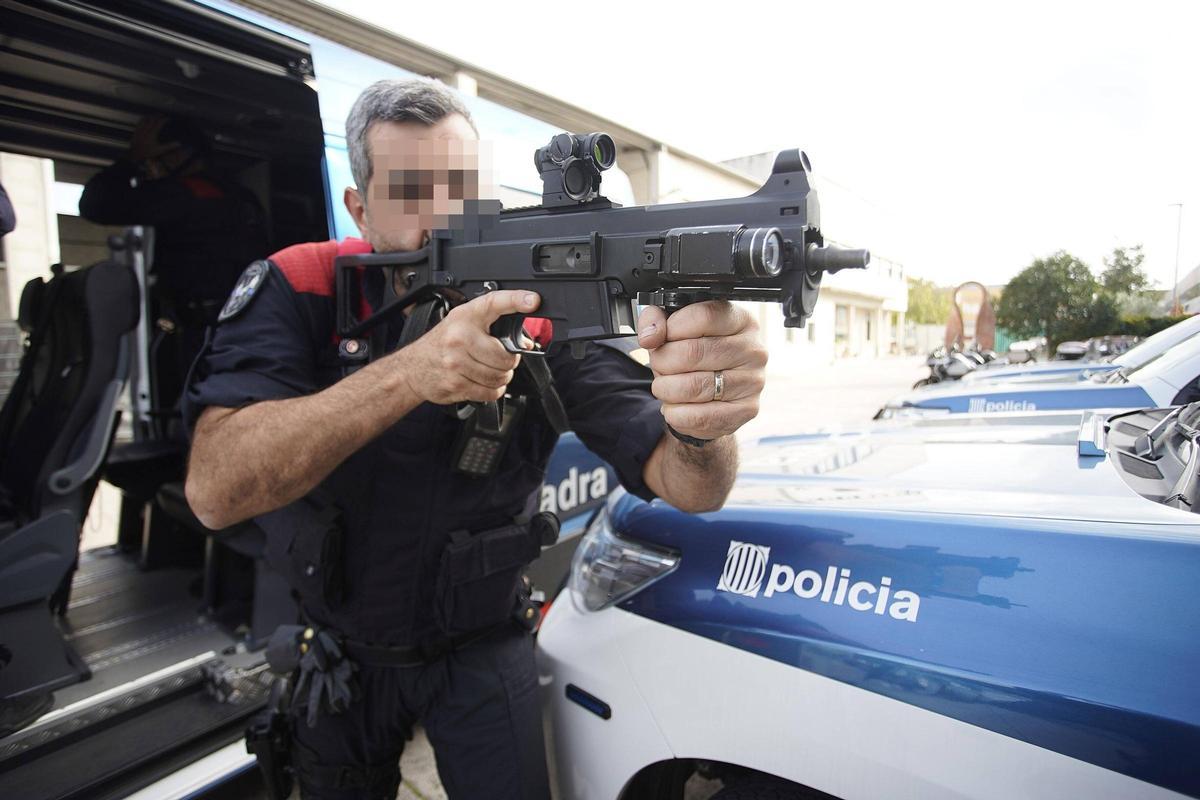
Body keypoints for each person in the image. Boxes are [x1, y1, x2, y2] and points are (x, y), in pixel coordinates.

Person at [183, 78, 767, 800]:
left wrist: (703, 420)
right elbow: (214, 490)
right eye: (410, 189)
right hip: (341, 659)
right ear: (360, 208)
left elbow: (693, 486)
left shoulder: (540, 309)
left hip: (485, 653)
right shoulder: (298, 285)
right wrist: (409, 374)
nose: (443, 214)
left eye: (461, 186)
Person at [79, 116, 267, 411]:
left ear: (178, 155)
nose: (151, 171)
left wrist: (131, 159)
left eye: (154, 162)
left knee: (201, 416)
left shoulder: (186, 194)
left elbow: (96, 205)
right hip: (237, 328)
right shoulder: (239, 196)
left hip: (204, 332)